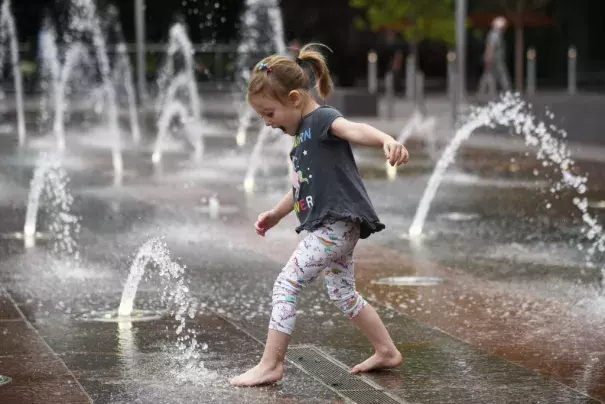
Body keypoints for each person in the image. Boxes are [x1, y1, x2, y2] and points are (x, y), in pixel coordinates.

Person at [229, 43, 408, 387]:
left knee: (287, 283)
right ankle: (386, 351)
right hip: (337, 226)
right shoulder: (300, 139)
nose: (267, 124)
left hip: (335, 225)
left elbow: (354, 129)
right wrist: (277, 214)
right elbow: (300, 186)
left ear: (294, 99)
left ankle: (271, 364)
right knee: (342, 292)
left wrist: (386, 139)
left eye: (269, 114)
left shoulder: (322, 119)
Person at [477, 16, 511, 98]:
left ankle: (483, 92)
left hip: (494, 59)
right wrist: (488, 59)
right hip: (495, 60)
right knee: (501, 75)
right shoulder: (495, 35)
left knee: (488, 75)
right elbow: (491, 48)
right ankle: (507, 92)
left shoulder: (494, 34)